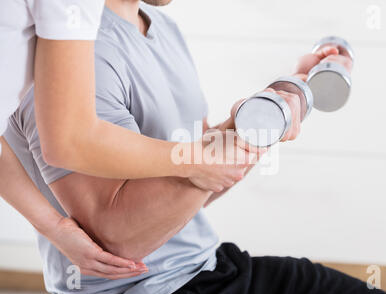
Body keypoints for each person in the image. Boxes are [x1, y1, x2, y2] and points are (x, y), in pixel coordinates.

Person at [4, 0, 386, 294]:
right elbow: (119, 239)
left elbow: (200, 181)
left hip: (209, 269)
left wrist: (290, 92)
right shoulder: (74, 49)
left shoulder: (161, 27)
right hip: (151, 292)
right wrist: (247, 134)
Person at [0, 0, 253, 279]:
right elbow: (69, 142)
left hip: (207, 262)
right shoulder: (80, 26)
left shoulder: (160, 27)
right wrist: (194, 161)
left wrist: (262, 122)